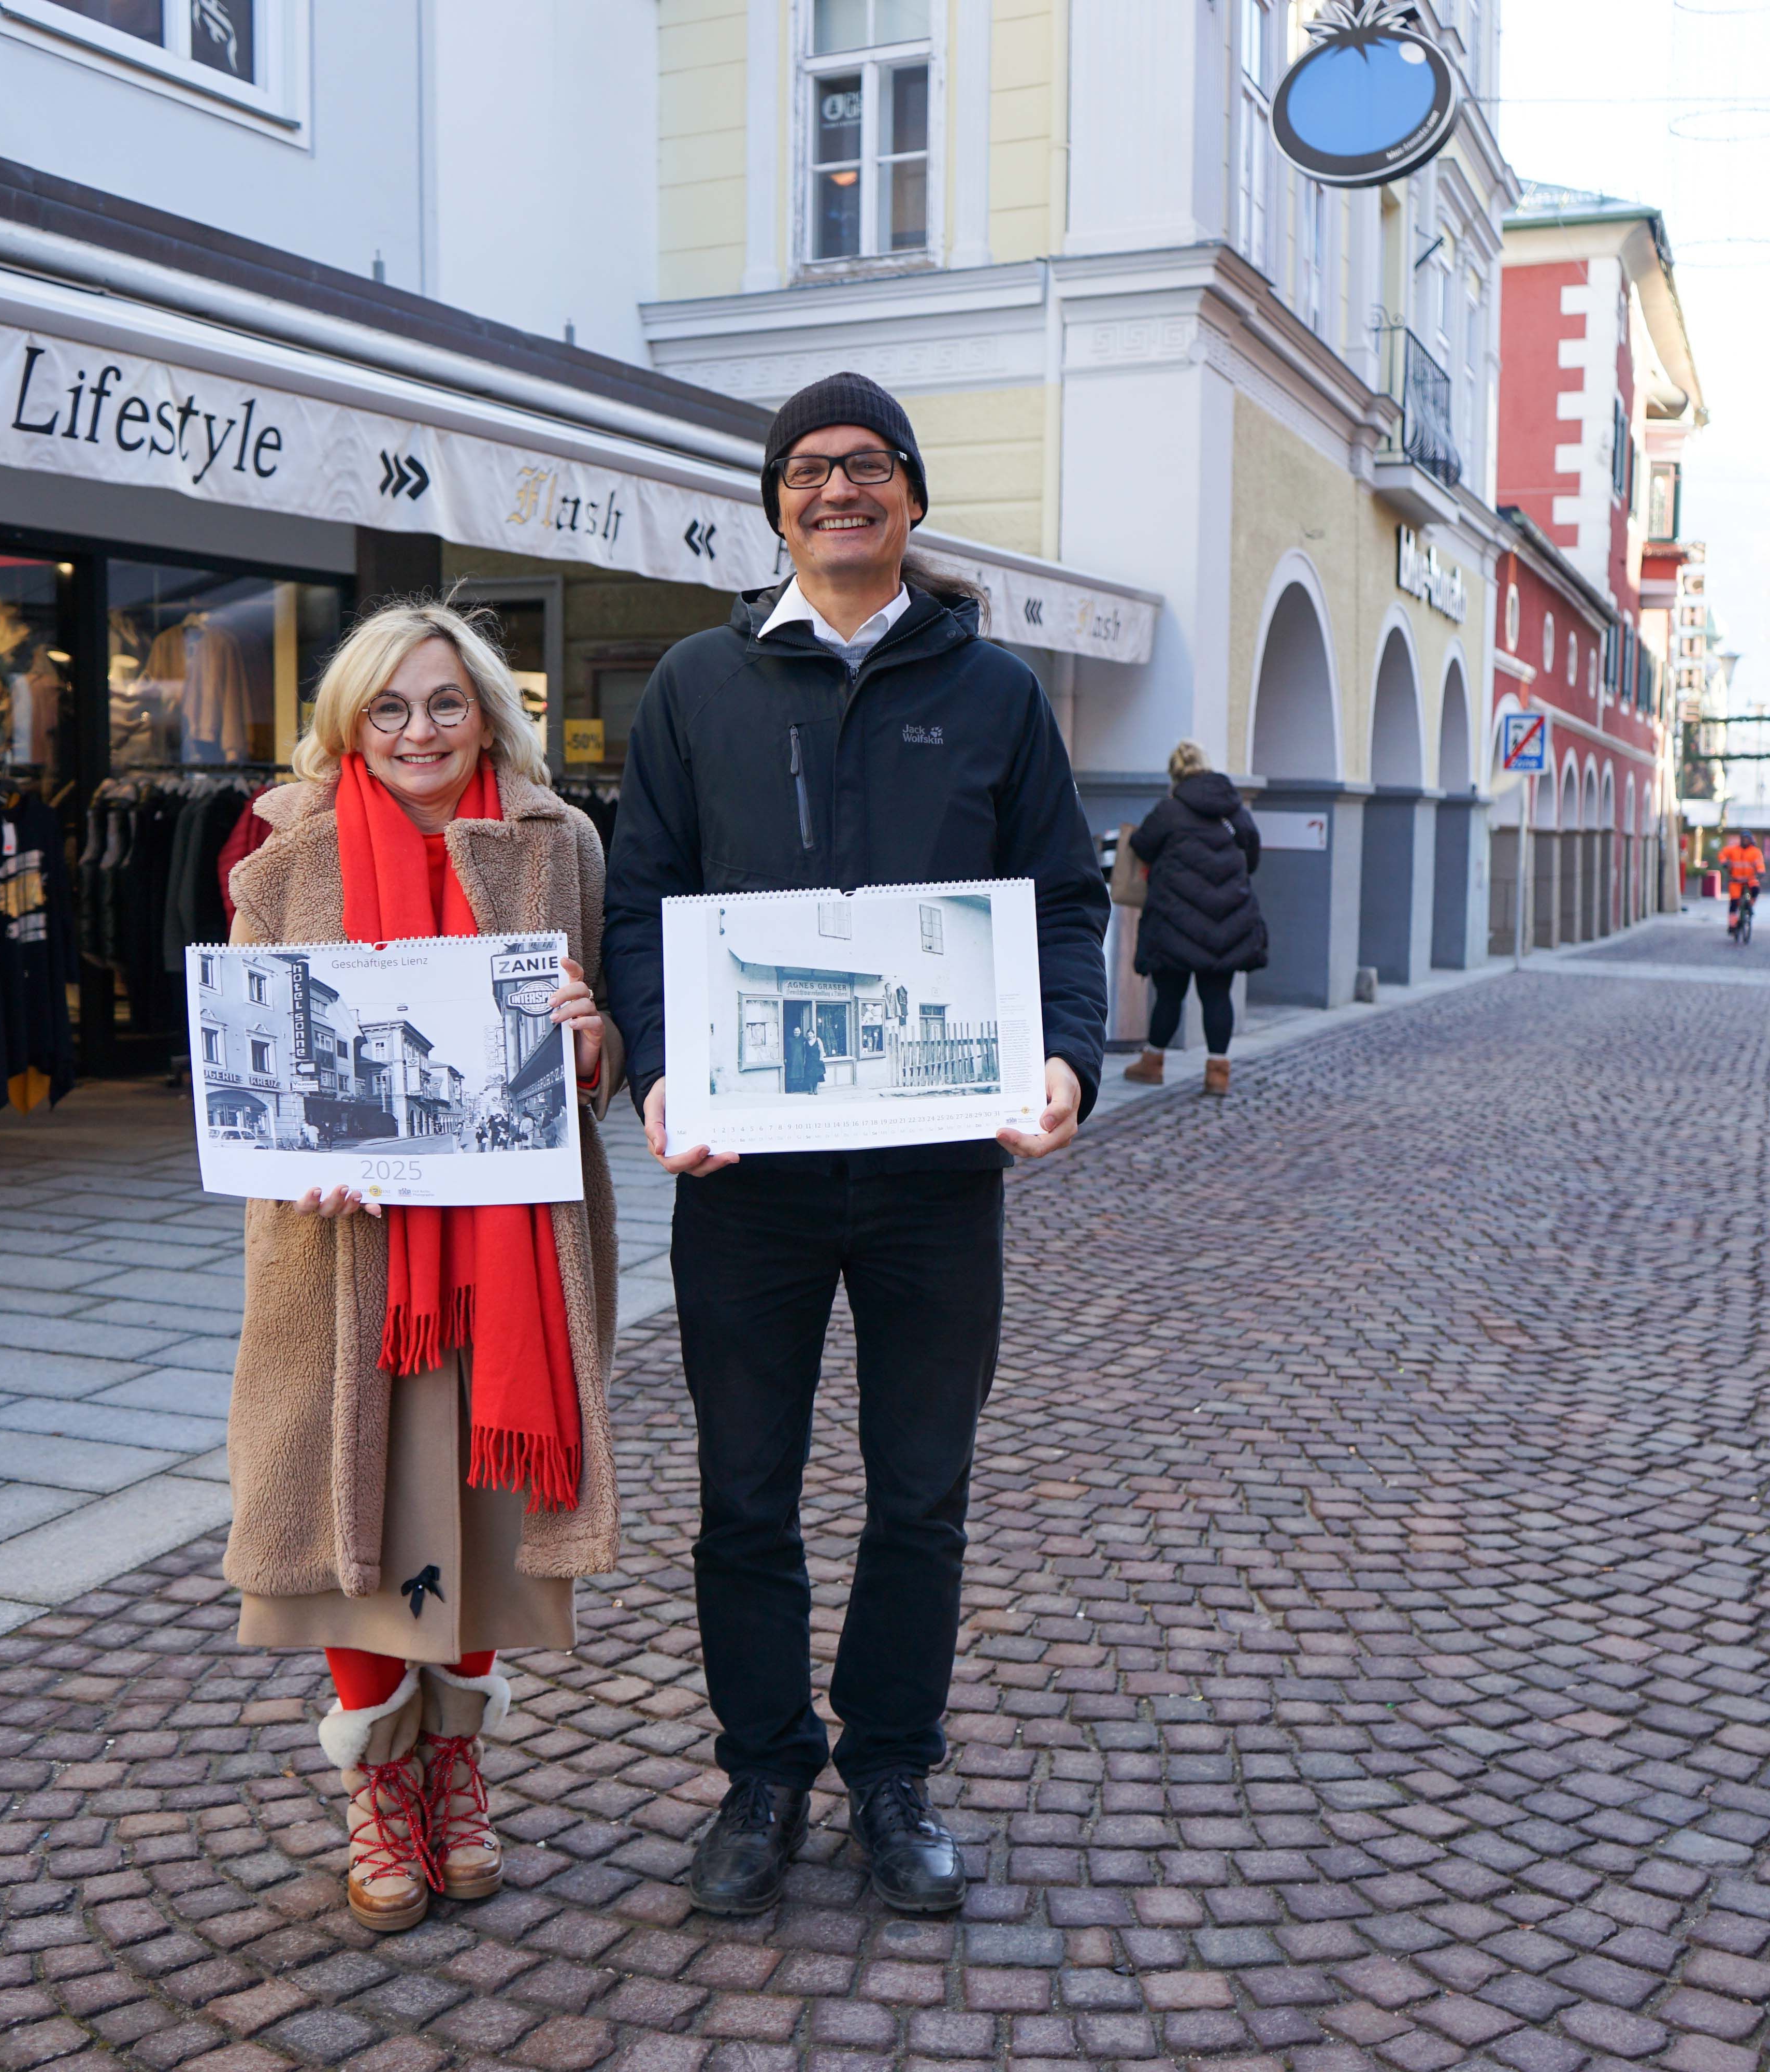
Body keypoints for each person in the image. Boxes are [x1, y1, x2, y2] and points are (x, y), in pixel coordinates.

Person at [603, 370, 1109, 1918]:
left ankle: (890, 1773)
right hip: (742, 1180)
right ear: (773, 501)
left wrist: (1066, 1061)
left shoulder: (994, 690)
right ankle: (762, 1771)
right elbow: (642, 907)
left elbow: (1062, 907)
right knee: (742, 1491)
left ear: (909, 493)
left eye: (867, 465)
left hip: (931, 1179)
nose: (838, 489)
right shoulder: (695, 685)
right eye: (809, 468)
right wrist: (662, 1076)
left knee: (918, 1487)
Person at [220, 598, 624, 1937]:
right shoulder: (281, 853)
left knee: (480, 1512)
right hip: (345, 1253)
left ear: (486, 710)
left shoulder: (562, 842)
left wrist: (589, 1037)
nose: (418, 729)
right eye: (388, 706)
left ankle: (457, 1767)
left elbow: (603, 1041)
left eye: (445, 702)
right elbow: (247, 1056)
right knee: (358, 1509)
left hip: (510, 1246)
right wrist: (294, 1144)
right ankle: (379, 1787)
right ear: (349, 718)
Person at [1123, 738, 1267, 1096]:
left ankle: (1152, 1064)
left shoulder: (1168, 812)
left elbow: (1140, 847)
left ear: (1175, 774)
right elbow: (1252, 858)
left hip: (1175, 920)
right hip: (1227, 919)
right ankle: (1218, 1072)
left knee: (1170, 995)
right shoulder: (1234, 811)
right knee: (1218, 996)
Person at [1716, 829, 1766, 937]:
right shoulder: (1733, 850)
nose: (1745, 841)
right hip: (1736, 881)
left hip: (1750, 880)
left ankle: (1749, 906)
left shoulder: (1755, 852)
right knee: (1734, 902)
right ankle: (1733, 925)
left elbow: (1760, 863)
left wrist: (1761, 872)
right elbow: (1722, 854)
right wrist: (1724, 863)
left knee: (1755, 891)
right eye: (1744, 839)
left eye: (1747, 839)